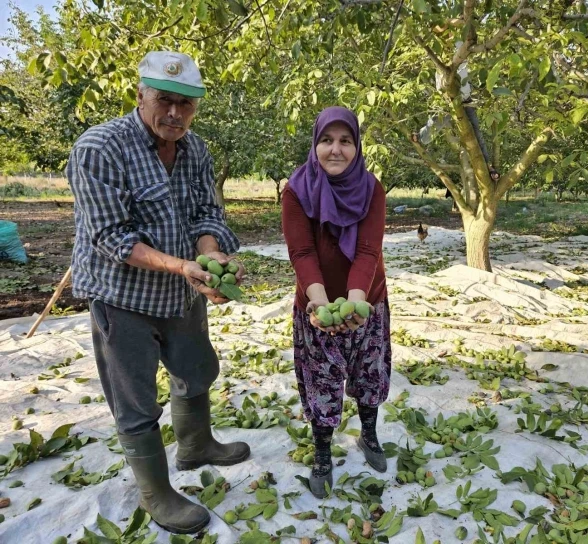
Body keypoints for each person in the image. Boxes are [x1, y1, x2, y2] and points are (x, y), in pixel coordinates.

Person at [66, 51, 249, 534]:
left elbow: (207, 214)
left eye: (186, 105)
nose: (175, 114)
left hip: (180, 293)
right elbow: (110, 236)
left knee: (195, 368)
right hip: (122, 295)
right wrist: (182, 265)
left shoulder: (195, 150)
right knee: (135, 399)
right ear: (141, 95)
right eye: (165, 101)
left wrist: (212, 257)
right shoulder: (99, 148)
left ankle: (196, 445)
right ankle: (155, 493)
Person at [282, 106, 391, 498]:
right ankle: (323, 451)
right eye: (327, 140)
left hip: (368, 299)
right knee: (321, 380)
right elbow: (302, 252)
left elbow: (367, 250)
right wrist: (320, 302)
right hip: (315, 303)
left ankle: (369, 434)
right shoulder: (296, 190)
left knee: (368, 372)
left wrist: (356, 302)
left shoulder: (371, 188)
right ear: (315, 144)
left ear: (357, 146)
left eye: (346, 141)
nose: (335, 149)